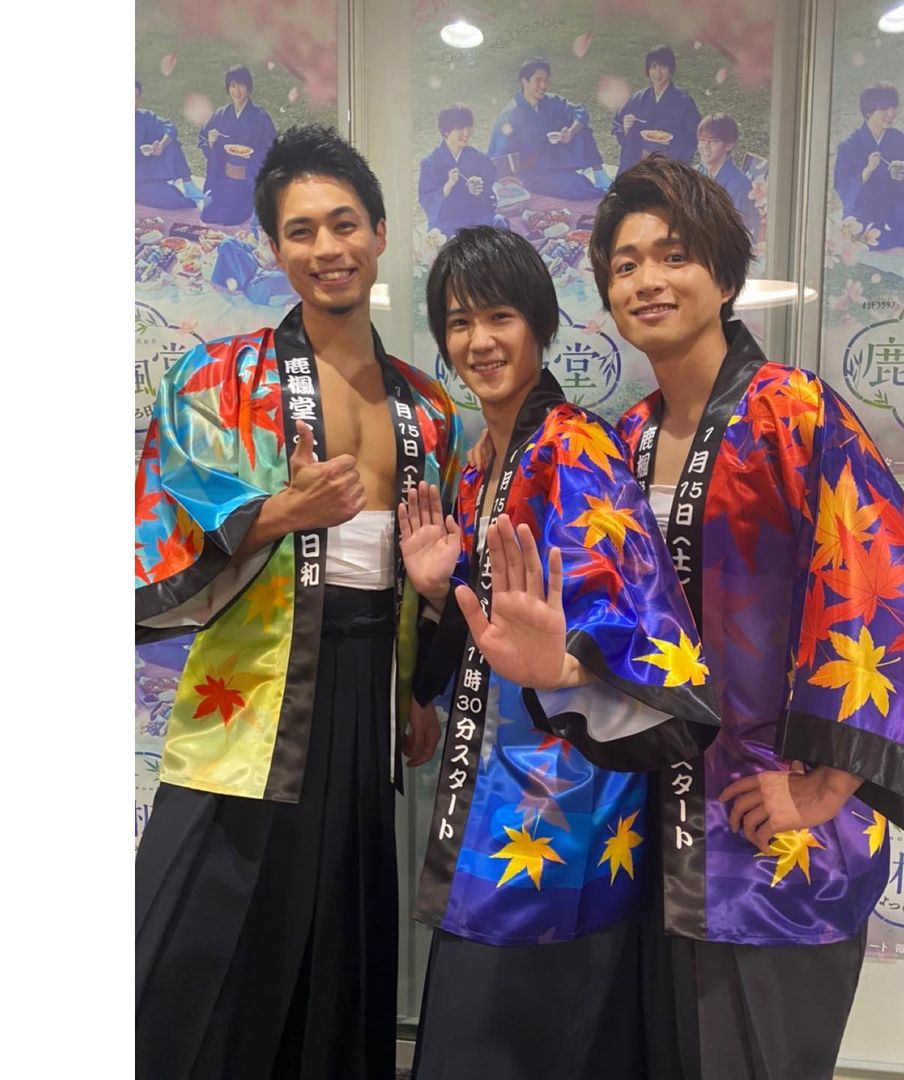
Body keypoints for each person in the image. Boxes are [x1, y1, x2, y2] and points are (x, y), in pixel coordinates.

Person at [579, 156, 904, 1079]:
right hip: (651, 828)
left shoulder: (793, 411)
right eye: (625, 264)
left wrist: (829, 785)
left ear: (724, 275)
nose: (648, 279)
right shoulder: (625, 440)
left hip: (770, 833)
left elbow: (891, 587)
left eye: (674, 255)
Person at [134, 124, 464, 1080]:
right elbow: (165, 520)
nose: (328, 248)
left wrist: (416, 689)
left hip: (367, 693)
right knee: (195, 935)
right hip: (252, 690)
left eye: (345, 224)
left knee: (338, 928)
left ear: (381, 233)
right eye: (302, 231)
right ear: (275, 249)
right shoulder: (219, 377)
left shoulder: (429, 408)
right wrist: (285, 511)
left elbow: (424, 566)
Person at [401, 226, 721, 1079]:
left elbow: (630, 620)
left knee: (524, 1031)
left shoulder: (574, 446)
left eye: (499, 317)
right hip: (496, 787)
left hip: (562, 795)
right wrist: (438, 586)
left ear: (540, 325)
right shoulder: (481, 462)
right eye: (459, 323)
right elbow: (491, 625)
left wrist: (568, 666)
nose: (479, 341)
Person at [488, 57, 612, 200]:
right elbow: (497, 156)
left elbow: (580, 112)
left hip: (554, 159)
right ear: (524, 81)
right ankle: (596, 190)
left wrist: (570, 132)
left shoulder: (550, 101)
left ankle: (599, 174)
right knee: (577, 186)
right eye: (538, 80)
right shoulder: (509, 115)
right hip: (531, 173)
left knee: (582, 130)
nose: (543, 86)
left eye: (546, 81)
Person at [833, 82, 904, 249]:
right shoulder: (849, 146)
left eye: (893, 108)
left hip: (895, 202)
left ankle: (886, 238)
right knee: (858, 230)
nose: (891, 114)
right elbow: (842, 186)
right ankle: (898, 237)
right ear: (868, 112)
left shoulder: (900, 139)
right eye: (884, 109)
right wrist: (867, 170)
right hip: (865, 207)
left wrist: (903, 172)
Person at [198, 64, 278, 226]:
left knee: (230, 218)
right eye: (232, 86)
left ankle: (253, 201)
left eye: (241, 85)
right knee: (207, 214)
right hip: (224, 178)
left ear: (248, 87)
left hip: (247, 180)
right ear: (228, 88)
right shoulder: (221, 114)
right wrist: (211, 143)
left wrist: (253, 156)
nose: (237, 91)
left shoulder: (260, 117)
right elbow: (203, 137)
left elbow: (274, 149)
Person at [612, 45, 701, 176]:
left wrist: (670, 147)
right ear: (648, 70)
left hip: (668, 163)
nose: (657, 73)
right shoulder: (639, 98)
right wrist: (626, 128)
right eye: (653, 67)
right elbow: (618, 123)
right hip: (638, 160)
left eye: (663, 67)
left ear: (671, 69)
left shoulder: (684, 101)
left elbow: (694, 135)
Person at [418, 104, 498, 236]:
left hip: (475, 216)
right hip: (447, 222)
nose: (466, 133)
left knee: (500, 223)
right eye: (460, 128)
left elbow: (489, 183)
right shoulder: (430, 163)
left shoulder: (477, 157)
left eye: (468, 127)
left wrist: (479, 188)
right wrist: (447, 187)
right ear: (446, 131)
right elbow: (426, 200)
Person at [694, 113, 761, 243]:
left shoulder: (739, 185)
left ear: (729, 145)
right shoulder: (696, 173)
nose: (705, 146)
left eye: (713, 141)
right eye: (702, 140)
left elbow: (744, 233)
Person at [135, 79, 200, 209]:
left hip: (149, 169)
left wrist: (161, 145)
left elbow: (170, 128)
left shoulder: (144, 116)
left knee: (172, 143)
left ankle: (188, 184)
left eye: (136, 97)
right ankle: (169, 190)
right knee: (173, 201)